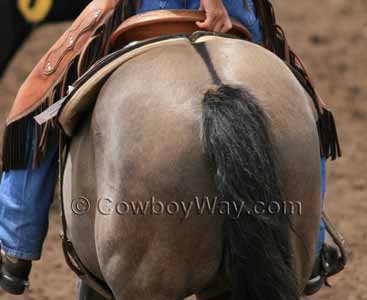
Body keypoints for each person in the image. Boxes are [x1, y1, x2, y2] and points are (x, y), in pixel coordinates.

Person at [0, 0, 330, 295]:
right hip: (237, 8)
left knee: (36, 107)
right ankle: (311, 245)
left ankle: (17, 244)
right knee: (303, 101)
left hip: (152, 5)